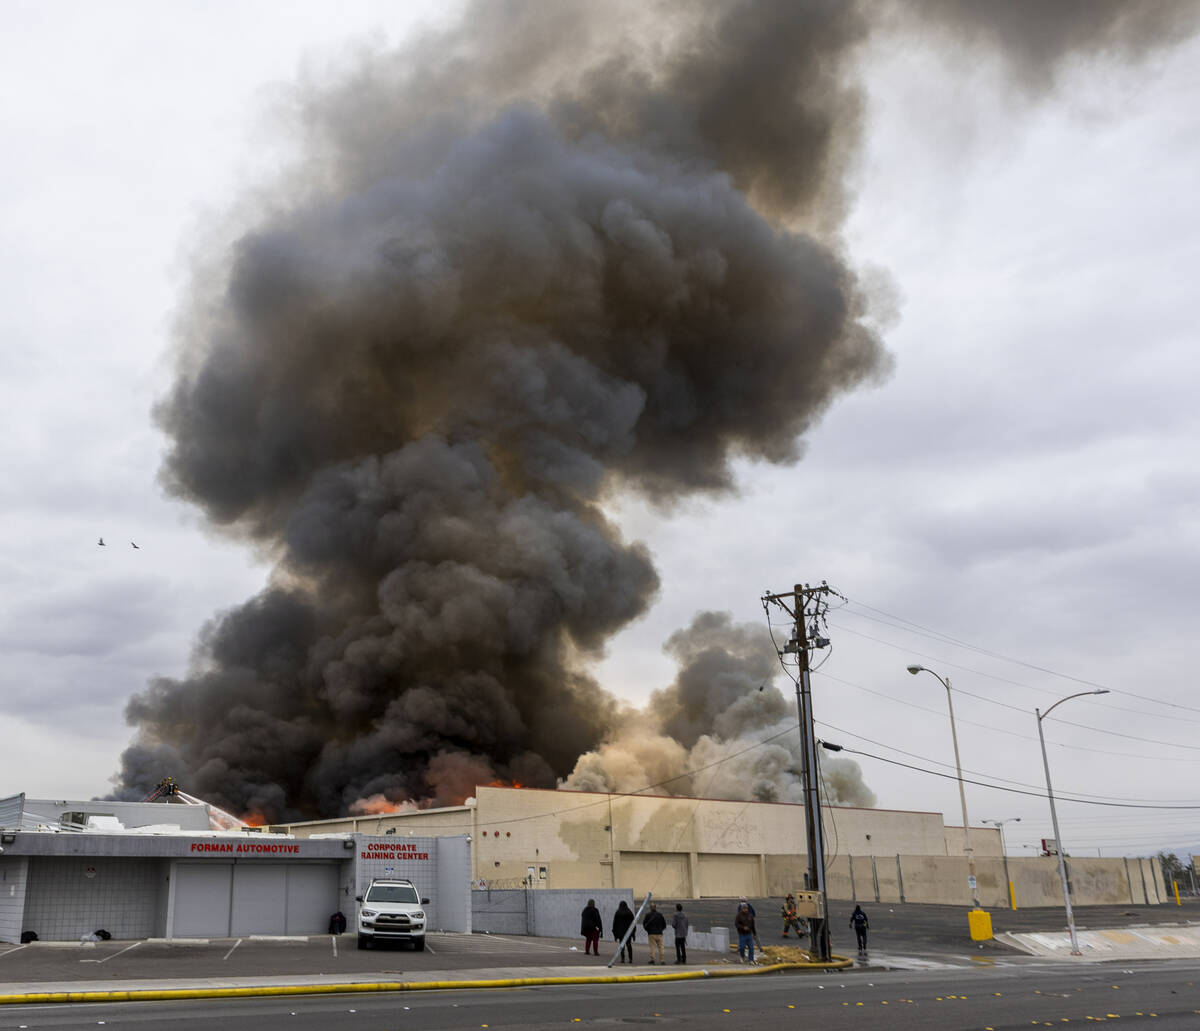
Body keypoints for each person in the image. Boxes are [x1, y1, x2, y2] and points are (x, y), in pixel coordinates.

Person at [612, 899, 635, 964]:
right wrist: (633, 933)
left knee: (621, 946)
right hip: (628, 932)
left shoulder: (618, 912)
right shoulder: (629, 912)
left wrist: (615, 934)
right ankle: (630, 959)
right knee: (629, 945)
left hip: (620, 932)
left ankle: (623, 959)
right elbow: (633, 923)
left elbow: (615, 924)